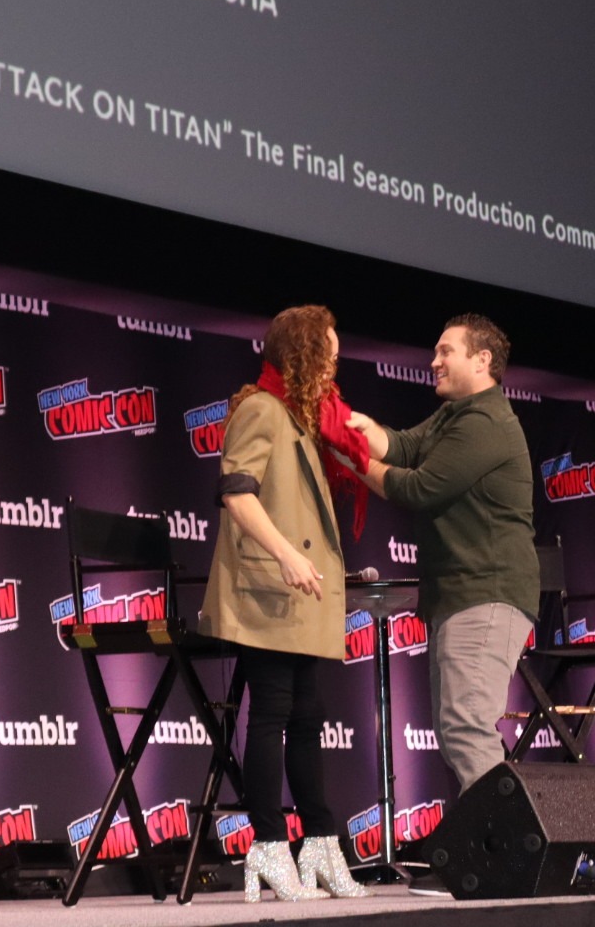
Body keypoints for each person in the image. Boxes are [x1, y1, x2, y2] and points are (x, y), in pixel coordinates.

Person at [198, 305, 371, 902]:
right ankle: (268, 845)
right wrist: (286, 556)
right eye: (328, 351)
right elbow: (236, 495)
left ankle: (320, 842)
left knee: (305, 718)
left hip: (301, 595)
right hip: (271, 589)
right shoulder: (261, 410)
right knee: (271, 713)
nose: (336, 362)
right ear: (303, 354)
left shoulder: (300, 419)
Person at [345, 314, 538, 799]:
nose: (434, 361)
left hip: (485, 593)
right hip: (459, 596)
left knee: (467, 729)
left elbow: (422, 488)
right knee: (458, 735)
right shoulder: (457, 414)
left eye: (445, 351)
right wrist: (348, 425)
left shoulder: (487, 421)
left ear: (482, 359)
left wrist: (351, 461)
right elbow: (404, 447)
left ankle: (505, 858)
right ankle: (490, 856)